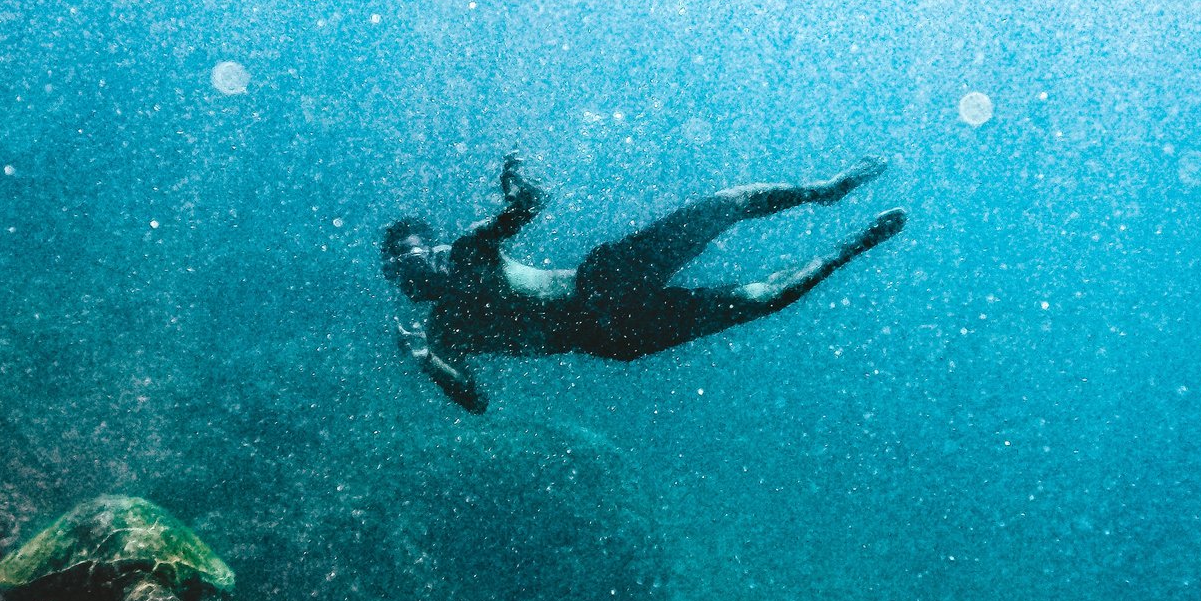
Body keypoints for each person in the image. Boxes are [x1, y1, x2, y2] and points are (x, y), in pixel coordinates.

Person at [383, 153, 905, 413]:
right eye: (397, 273)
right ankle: (850, 248)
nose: (410, 276)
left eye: (412, 260)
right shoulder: (443, 335)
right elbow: (477, 403)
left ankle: (824, 191)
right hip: (612, 338)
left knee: (719, 208)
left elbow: (532, 206)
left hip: (602, 284)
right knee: (763, 299)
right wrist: (426, 362)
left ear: (436, 250)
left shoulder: (473, 250)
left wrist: (522, 193)